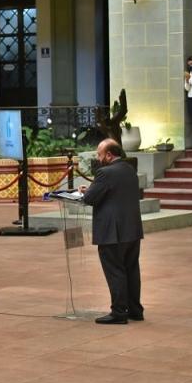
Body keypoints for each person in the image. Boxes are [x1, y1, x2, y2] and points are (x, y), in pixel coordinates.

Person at [78, 139, 144, 325]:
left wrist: (86, 192)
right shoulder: (129, 169)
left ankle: (118, 312)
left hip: (112, 232)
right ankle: (135, 309)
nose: (98, 158)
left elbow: (90, 198)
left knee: (115, 271)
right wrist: (91, 189)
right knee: (131, 270)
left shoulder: (105, 172)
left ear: (109, 154)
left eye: (99, 154)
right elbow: (114, 192)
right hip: (132, 230)